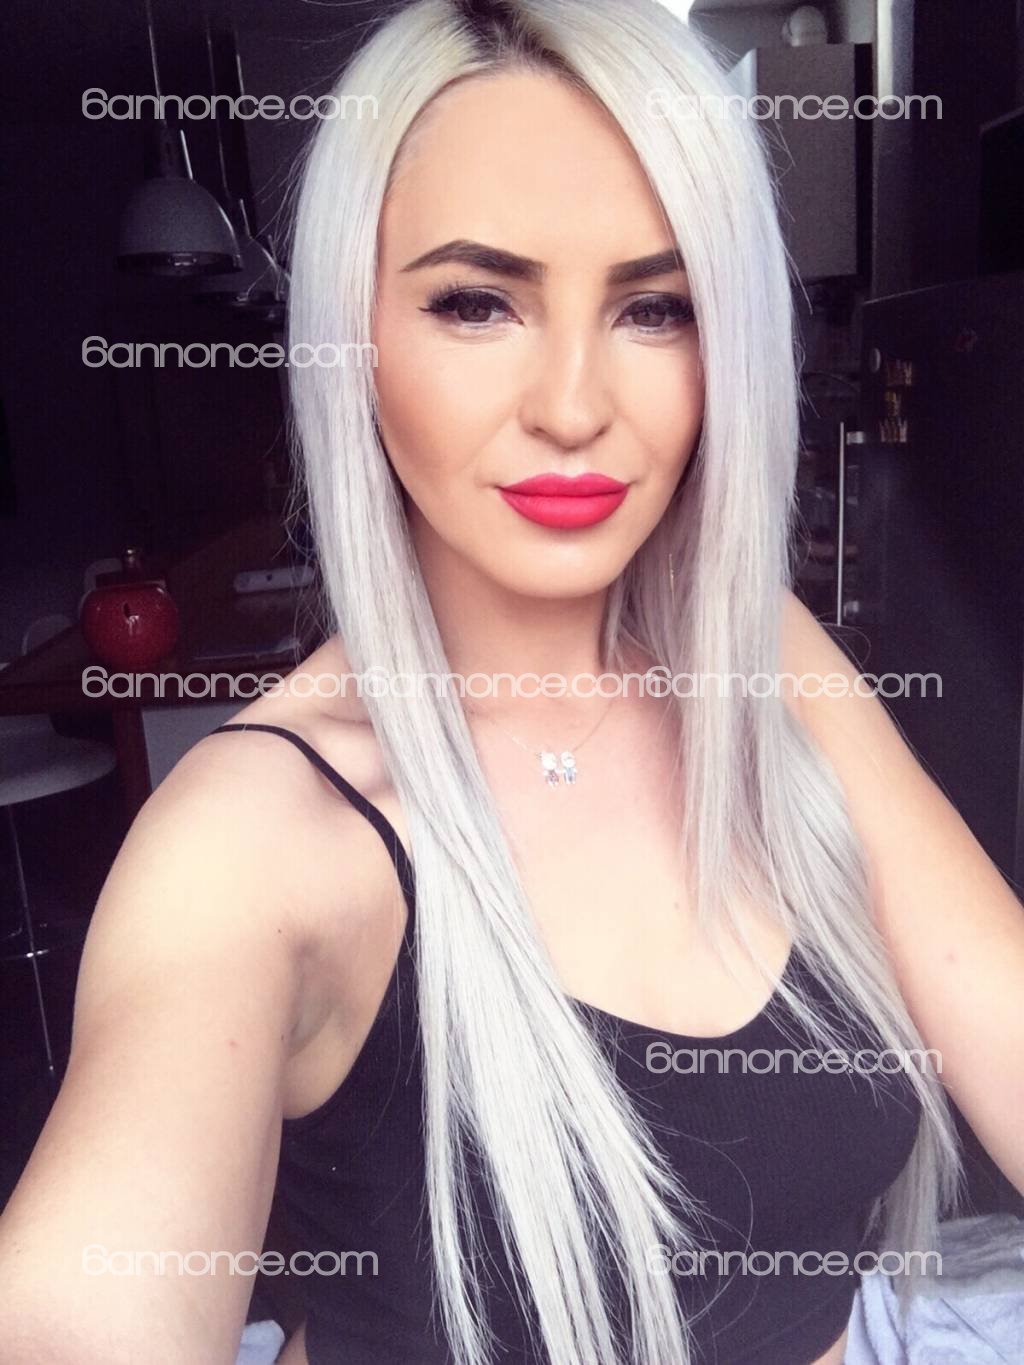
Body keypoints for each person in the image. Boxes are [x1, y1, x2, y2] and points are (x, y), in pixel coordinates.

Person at [2, 1, 1022, 1362]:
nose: (572, 404)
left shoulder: (764, 657)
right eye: (476, 302)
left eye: (655, 307)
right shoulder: (257, 836)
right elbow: (85, 1306)